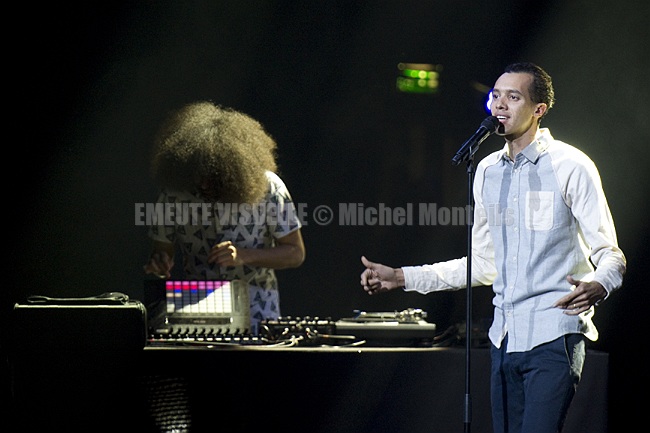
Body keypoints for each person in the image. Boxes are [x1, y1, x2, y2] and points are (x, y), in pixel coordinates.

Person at [359, 62, 626, 433]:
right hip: (504, 338)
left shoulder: (571, 166)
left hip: (554, 333)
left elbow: (611, 254)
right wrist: (402, 277)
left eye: (513, 97)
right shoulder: (486, 170)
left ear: (539, 109)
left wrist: (600, 283)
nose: (499, 104)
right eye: (495, 95)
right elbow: (483, 264)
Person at [143, 101, 305, 335]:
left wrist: (243, 255)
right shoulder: (173, 194)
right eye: (197, 177)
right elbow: (162, 251)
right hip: (195, 310)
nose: (203, 185)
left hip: (256, 310)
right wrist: (160, 263)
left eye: (212, 177)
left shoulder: (268, 187)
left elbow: (295, 253)